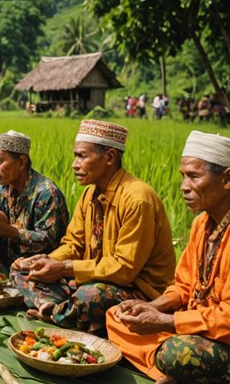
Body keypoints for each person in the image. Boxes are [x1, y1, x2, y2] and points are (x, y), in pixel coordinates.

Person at [107, 132, 230, 384]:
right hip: (202, 329)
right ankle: (195, 382)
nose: (184, 187)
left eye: (193, 177)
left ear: (227, 179)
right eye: (183, 176)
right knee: (115, 316)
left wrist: (165, 321)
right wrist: (152, 306)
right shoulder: (201, 225)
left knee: (174, 352)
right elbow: (183, 286)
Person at [15, 120, 176, 333]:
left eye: (82, 156)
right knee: (21, 269)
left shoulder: (138, 198)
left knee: (92, 295)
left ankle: (56, 311)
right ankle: (65, 312)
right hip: (92, 276)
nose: (74, 164)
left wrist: (64, 268)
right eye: (76, 156)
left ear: (109, 157)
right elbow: (73, 244)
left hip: (135, 288)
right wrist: (48, 260)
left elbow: (124, 270)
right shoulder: (89, 194)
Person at [0, 131, 69, 270]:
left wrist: (9, 231)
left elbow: (49, 241)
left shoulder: (47, 193)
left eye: (0, 161)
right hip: (9, 263)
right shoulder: (2, 190)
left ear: (21, 162)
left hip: (40, 266)